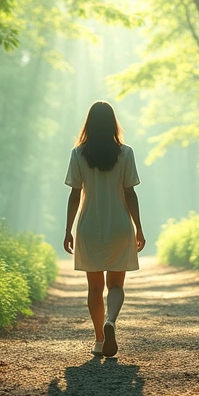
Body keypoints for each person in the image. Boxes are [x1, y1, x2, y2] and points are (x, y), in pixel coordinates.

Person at [63, 101, 145, 358]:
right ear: (113, 123)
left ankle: (99, 339)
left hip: (90, 227)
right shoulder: (126, 153)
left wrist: (68, 230)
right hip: (120, 226)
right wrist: (138, 228)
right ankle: (111, 321)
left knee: (95, 287)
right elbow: (130, 192)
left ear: (89, 123)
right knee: (117, 285)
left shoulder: (78, 154)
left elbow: (75, 194)